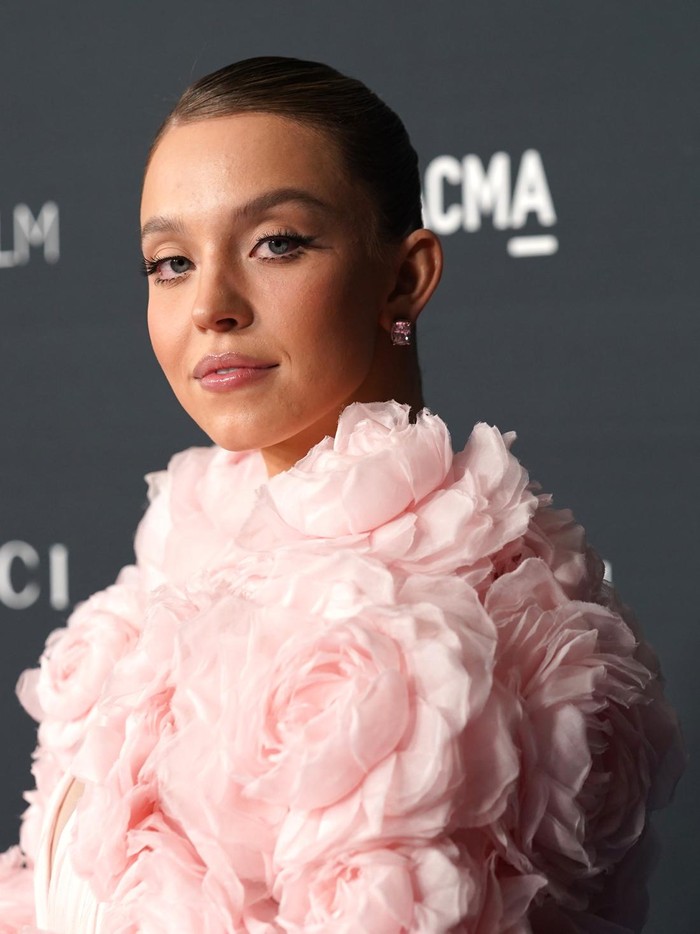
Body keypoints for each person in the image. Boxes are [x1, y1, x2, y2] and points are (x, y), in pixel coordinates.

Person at [0, 56, 684, 933]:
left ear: (404, 280)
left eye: (276, 243)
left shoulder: (443, 632)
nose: (210, 303)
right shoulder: (192, 545)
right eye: (169, 262)